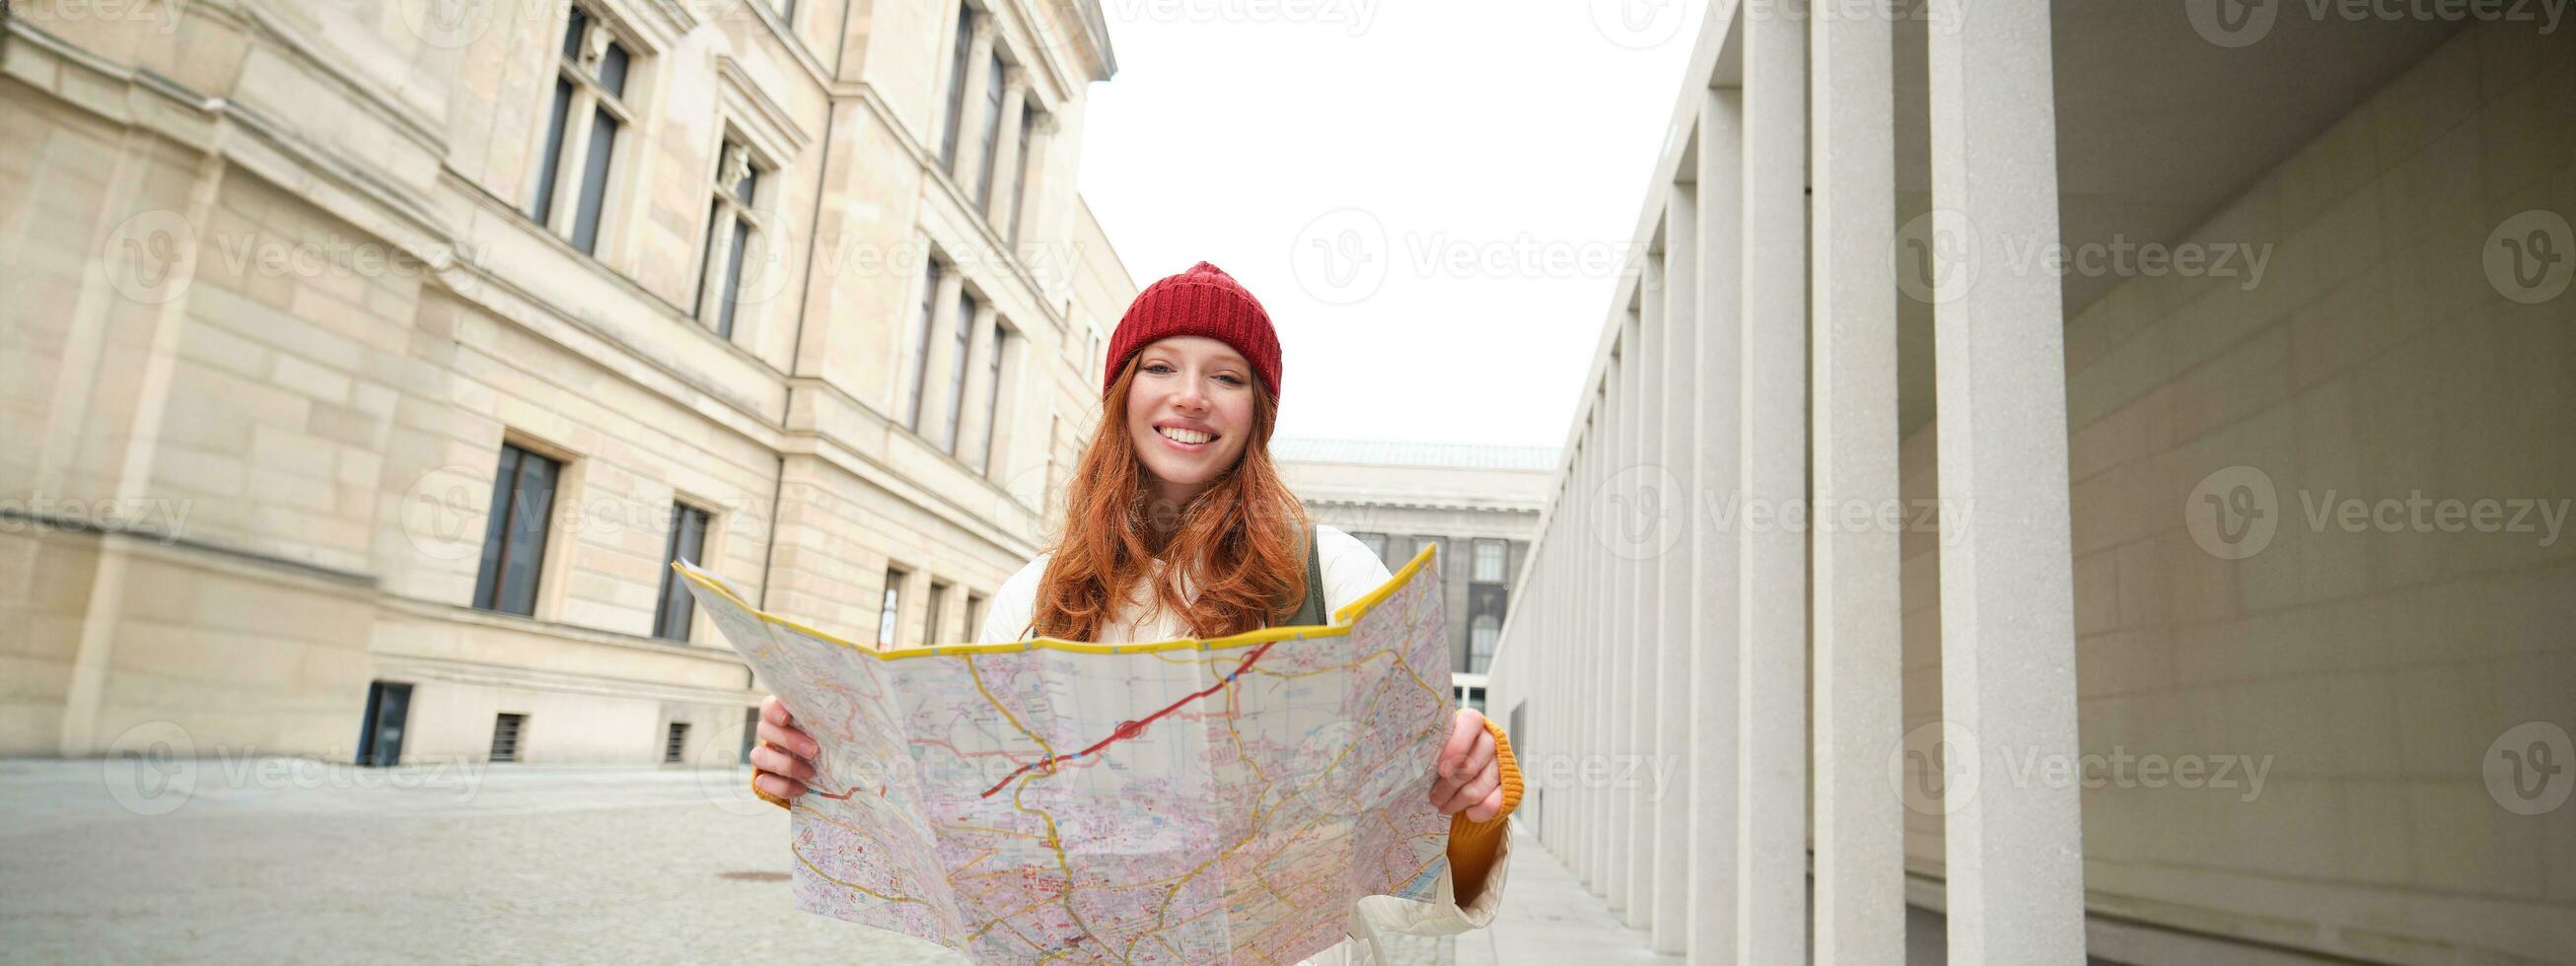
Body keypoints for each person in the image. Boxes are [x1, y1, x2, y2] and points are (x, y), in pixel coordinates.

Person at [748, 262, 1521, 964]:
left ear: (1258, 412)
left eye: (1227, 376)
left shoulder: (1336, 576)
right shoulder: (1032, 596)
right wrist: (830, 768)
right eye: (1161, 366)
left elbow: (1416, 891)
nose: (1190, 395)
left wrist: (1474, 807)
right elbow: (973, 840)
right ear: (1124, 392)